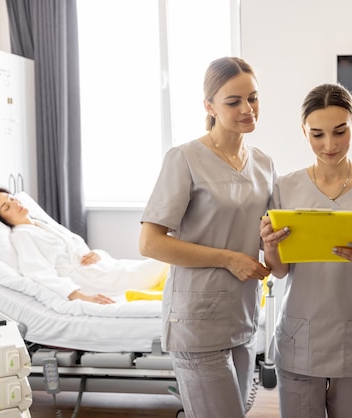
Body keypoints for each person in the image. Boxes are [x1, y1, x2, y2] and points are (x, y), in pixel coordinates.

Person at [139, 56, 275, 418]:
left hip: (244, 316)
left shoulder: (263, 163)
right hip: (196, 321)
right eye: (233, 102)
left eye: (253, 98)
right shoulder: (184, 158)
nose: (247, 109)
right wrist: (229, 258)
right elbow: (150, 242)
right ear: (209, 106)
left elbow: (264, 235)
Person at [259, 83, 352, 418]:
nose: (329, 145)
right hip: (300, 333)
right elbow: (279, 270)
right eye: (317, 134)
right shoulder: (284, 188)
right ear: (303, 131)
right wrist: (269, 245)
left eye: (340, 132)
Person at [0, 188, 167, 305]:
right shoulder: (22, 236)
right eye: (6, 207)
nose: (14, 203)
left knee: (162, 264)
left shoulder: (40, 224)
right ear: (2, 219)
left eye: (11, 198)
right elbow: (38, 273)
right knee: (166, 262)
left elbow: (77, 247)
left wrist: (96, 254)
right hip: (93, 281)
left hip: (103, 268)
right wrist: (77, 295)